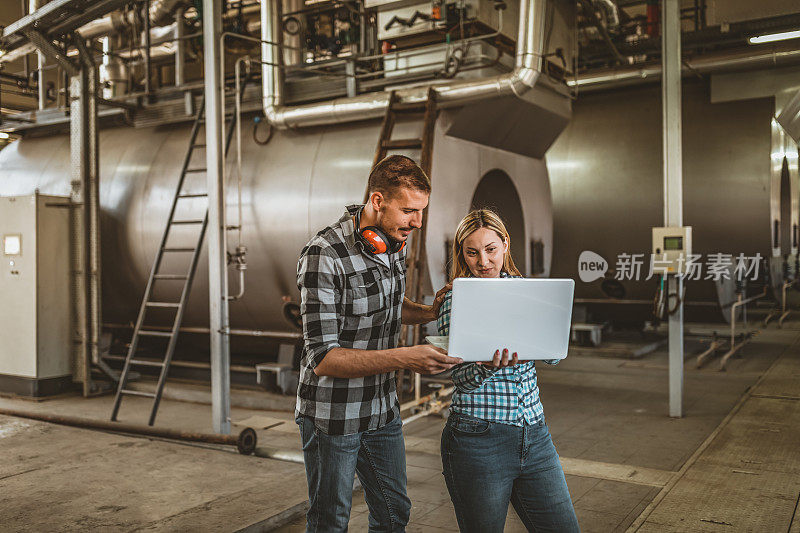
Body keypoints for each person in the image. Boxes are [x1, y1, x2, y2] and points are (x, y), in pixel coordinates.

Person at [296, 154, 462, 532]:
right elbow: (325, 359)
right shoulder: (324, 255)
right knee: (330, 521)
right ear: (377, 201)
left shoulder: (392, 243)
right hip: (333, 414)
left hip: (382, 407)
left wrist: (429, 312)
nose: (417, 222)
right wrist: (408, 358)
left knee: (393, 511)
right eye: (409, 211)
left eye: (421, 211)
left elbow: (387, 305)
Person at [437, 209, 580, 533]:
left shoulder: (528, 292)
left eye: (490, 249)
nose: (483, 261)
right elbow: (457, 377)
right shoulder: (454, 300)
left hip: (535, 434)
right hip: (478, 438)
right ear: (462, 253)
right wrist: (486, 366)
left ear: (505, 244)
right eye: (472, 252)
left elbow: (554, 355)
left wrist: (547, 338)